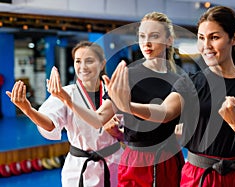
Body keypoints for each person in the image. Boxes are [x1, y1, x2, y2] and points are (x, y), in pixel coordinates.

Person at [107, 6, 235, 187]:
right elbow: (164, 112)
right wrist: (128, 106)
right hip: (199, 178)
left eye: (214, 37)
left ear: (234, 38)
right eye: (201, 38)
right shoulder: (189, 83)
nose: (206, 45)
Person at [46, 12, 185, 187]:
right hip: (136, 159)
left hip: (169, 159)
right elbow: (97, 120)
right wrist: (67, 100)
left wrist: (127, 107)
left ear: (169, 40)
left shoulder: (180, 79)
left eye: (154, 36)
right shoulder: (129, 75)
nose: (146, 43)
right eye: (142, 36)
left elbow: (167, 115)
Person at [6, 41, 123, 187]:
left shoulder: (113, 92)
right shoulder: (66, 93)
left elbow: (128, 130)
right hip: (80, 166)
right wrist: (28, 110)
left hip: (113, 163)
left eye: (89, 61)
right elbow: (50, 124)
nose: (83, 67)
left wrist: (119, 132)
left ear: (102, 63)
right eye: (78, 61)